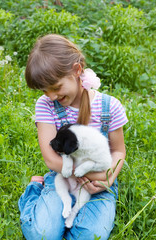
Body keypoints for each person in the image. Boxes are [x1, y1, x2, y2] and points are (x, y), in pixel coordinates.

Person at [18, 34, 128, 240]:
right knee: (42, 235)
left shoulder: (109, 106)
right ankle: (34, 190)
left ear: (77, 71)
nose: (51, 96)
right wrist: (98, 175)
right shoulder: (46, 105)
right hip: (64, 176)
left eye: (56, 87)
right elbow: (51, 159)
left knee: (90, 236)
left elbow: (119, 151)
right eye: (45, 90)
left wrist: (109, 178)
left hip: (99, 188)